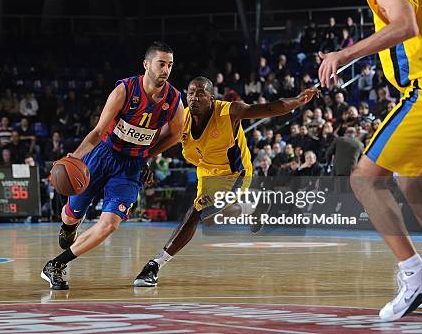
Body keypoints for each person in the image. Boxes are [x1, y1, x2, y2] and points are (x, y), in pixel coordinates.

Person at [318, 0, 422, 321]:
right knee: (412, 182)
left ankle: (414, 276)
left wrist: (343, 55)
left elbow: (404, 27)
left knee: (365, 180)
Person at [133, 77, 318, 287]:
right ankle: (251, 207)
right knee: (208, 220)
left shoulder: (230, 112)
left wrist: (298, 100)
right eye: (191, 93)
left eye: (201, 93)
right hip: (207, 172)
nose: (194, 98)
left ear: (212, 98)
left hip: (235, 174)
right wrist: (146, 160)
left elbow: (270, 108)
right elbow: (158, 140)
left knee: (197, 212)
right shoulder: (181, 119)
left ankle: (155, 265)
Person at [40, 41, 184, 290]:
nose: (166, 70)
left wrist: (147, 155)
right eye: (161, 64)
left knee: (110, 223)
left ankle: (57, 265)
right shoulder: (125, 90)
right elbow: (97, 132)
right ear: (147, 64)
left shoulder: (173, 99)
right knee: (71, 214)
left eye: (170, 65)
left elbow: (175, 134)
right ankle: (68, 225)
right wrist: (75, 156)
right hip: (104, 154)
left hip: (131, 166)